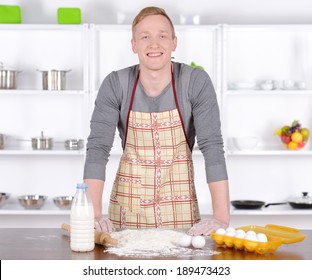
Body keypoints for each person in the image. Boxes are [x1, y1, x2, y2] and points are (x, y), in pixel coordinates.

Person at [83, 6, 230, 236]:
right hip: (126, 215)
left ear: (174, 42)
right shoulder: (115, 84)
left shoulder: (195, 82)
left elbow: (212, 146)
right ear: (134, 45)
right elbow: (97, 149)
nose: (154, 44)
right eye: (145, 37)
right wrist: (92, 215)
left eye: (162, 36)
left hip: (181, 216)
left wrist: (221, 217)